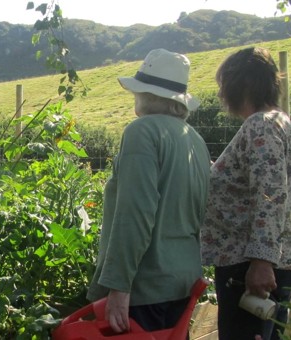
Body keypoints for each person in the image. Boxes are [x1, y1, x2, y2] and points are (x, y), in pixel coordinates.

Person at [86, 48, 211, 334]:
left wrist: (119, 285)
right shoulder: (195, 140)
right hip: (184, 282)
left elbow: (135, 213)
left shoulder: (141, 132)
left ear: (146, 94)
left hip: (145, 286)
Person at [201, 47, 291, 340]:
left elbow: (270, 194)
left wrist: (261, 261)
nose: (220, 95)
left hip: (250, 268)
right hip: (267, 261)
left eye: (222, 87)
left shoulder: (260, 126)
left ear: (239, 85)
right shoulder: (279, 121)